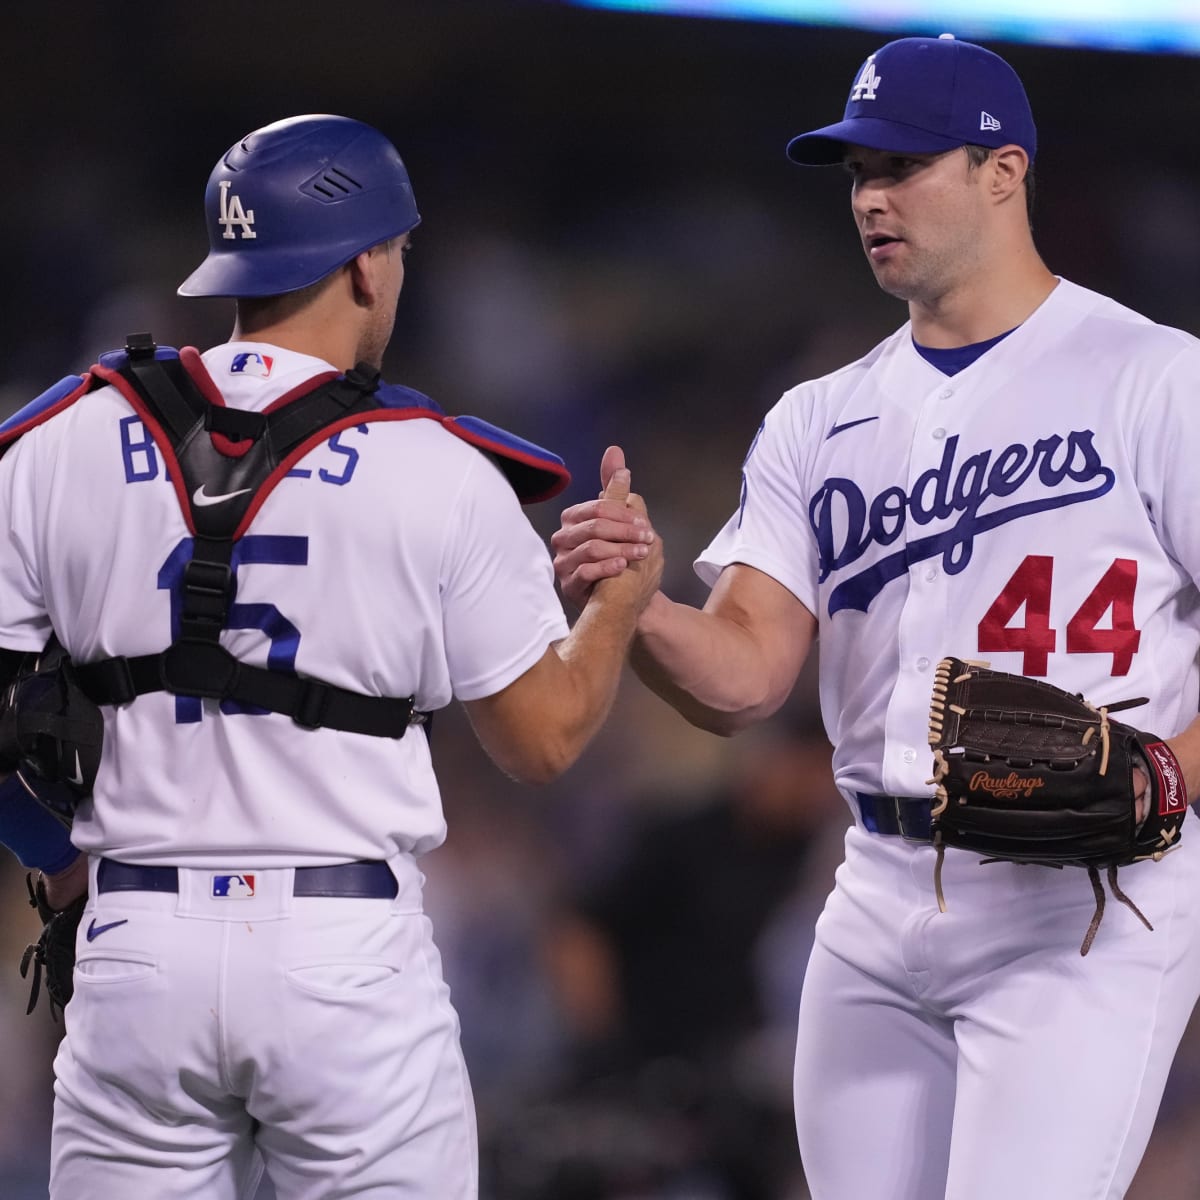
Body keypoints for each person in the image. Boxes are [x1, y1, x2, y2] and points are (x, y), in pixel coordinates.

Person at [552, 34, 1200, 1200]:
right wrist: (640, 606)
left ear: (1004, 171)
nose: (871, 198)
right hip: (876, 887)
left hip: (1085, 895)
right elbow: (745, 676)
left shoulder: (1154, 378)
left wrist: (1168, 775)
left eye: (903, 166)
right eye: (856, 173)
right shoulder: (820, 415)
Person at [0, 113, 661, 1199]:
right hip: (341, 954)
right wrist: (621, 606)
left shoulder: (63, 440)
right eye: (397, 253)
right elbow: (541, 743)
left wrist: (58, 859)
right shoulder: (439, 465)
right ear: (363, 264)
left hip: (137, 942)